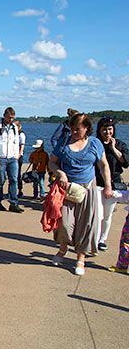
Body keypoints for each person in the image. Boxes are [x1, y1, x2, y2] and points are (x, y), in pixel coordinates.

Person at [49, 112, 112, 276]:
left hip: (87, 188)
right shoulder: (63, 143)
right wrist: (60, 173)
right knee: (64, 222)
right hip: (67, 188)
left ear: (86, 129)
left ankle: (80, 258)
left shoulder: (95, 144)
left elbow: (103, 165)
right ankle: (63, 248)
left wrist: (107, 186)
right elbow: (52, 162)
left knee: (86, 224)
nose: (74, 132)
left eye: (77, 129)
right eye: (72, 129)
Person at [95, 116, 129, 251]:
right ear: (100, 130)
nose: (107, 132)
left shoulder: (119, 144)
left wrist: (113, 148)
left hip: (114, 185)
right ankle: (94, 239)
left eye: (110, 129)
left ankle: (102, 239)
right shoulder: (95, 143)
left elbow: (125, 162)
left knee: (107, 214)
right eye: (104, 129)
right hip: (97, 183)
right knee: (98, 214)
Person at [0, 107, 22, 213]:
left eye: (12, 118)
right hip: (1, 158)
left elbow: (16, 142)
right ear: (4, 115)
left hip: (12, 158)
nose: (10, 120)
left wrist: (16, 155)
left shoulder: (14, 128)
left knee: (14, 180)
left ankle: (13, 203)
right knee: (0, 181)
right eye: (9, 118)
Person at [14, 120, 26, 198]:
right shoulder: (13, 134)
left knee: (18, 174)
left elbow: (22, 146)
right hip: (12, 156)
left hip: (18, 156)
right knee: (12, 175)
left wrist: (19, 154)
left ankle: (20, 190)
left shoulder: (21, 134)